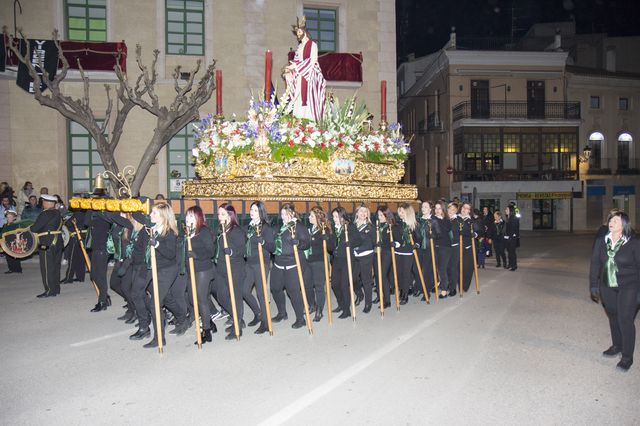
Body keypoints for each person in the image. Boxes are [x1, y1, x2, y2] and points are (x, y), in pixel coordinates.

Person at [589, 211, 640, 371]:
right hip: (607, 285)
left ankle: (627, 357)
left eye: (616, 220)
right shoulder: (601, 241)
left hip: (629, 286)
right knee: (613, 316)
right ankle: (617, 345)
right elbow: (595, 263)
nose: (612, 222)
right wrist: (593, 285)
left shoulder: (633, 243)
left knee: (625, 319)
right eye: (611, 219)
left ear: (624, 224)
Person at [143, 202, 189, 348]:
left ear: (163, 216)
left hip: (168, 270)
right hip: (155, 268)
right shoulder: (153, 229)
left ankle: (159, 338)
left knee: (155, 303)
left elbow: (170, 254)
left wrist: (156, 244)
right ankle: (183, 317)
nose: (151, 215)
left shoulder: (169, 232)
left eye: (154, 213)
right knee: (166, 298)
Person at [270, 203, 311, 328]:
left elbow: (307, 243)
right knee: (275, 288)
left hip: (293, 264)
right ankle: (282, 313)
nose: (283, 217)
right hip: (278, 263)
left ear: (292, 214)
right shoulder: (280, 227)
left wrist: (298, 243)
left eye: (285, 214)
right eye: (281, 214)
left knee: (293, 292)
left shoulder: (298, 226)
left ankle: (300, 318)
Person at [282, 16, 326, 122]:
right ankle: (299, 122)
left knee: (310, 102)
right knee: (298, 100)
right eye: (297, 33)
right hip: (301, 76)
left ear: (304, 31)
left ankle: (311, 122)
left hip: (310, 76)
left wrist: (295, 66)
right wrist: (289, 69)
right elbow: (296, 61)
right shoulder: (299, 47)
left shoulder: (313, 45)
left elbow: (312, 60)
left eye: (299, 32)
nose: (298, 35)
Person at [184, 206, 217, 344]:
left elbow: (211, 252)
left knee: (201, 299)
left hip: (204, 269)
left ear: (198, 218)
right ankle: (209, 321)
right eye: (187, 216)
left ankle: (207, 331)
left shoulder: (203, 231)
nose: (187, 219)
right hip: (193, 270)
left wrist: (196, 255)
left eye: (191, 216)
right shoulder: (188, 232)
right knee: (192, 298)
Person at [215, 203, 247, 340]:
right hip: (222, 268)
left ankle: (238, 327)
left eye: (222, 214)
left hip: (235, 268)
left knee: (236, 297)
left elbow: (242, 250)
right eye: (218, 214)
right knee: (221, 296)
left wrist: (232, 252)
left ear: (230, 215)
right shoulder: (222, 230)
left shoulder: (236, 231)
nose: (219, 217)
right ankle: (236, 317)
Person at [243, 201, 275, 334]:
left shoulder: (265, 227)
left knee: (261, 293)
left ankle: (266, 323)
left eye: (255, 210)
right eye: (251, 210)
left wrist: (262, 241)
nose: (252, 212)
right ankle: (258, 313)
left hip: (261, 262)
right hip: (249, 262)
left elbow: (272, 247)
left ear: (261, 212)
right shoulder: (249, 227)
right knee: (244, 290)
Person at [331, 206, 362, 318]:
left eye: (336, 216)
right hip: (337, 259)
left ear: (341, 216)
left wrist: (351, 243)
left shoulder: (350, 227)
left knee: (344, 285)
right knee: (334, 284)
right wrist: (328, 239)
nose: (334, 218)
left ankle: (347, 310)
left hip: (348, 259)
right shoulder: (335, 228)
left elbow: (359, 240)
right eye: (333, 216)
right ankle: (341, 304)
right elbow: (331, 246)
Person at [30, 194, 64, 298]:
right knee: (55, 266)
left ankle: (49, 290)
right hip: (58, 241)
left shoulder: (45, 214)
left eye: (43, 202)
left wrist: (30, 227)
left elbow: (34, 228)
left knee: (46, 267)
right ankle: (56, 288)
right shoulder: (58, 213)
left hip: (47, 241)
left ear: (47, 203)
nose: (42, 203)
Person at [306, 206, 334, 322]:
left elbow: (331, 247)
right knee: (307, 285)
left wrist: (326, 239)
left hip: (319, 262)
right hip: (308, 261)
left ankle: (320, 311)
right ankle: (312, 304)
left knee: (318, 286)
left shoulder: (325, 229)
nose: (309, 217)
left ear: (317, 217)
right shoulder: (310, 229)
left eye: (311, 216)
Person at [374, 206, 400, 308]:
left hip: (387, 252)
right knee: (377, 275)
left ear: (387, 215)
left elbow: (397, 241)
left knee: (382, 274)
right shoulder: (377, 226)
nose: (379, 217)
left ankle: (387, 300)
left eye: (381, 215)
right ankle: (380, 295)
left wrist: (394, 243)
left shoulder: (392, 226)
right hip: (377, 252)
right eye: (378, 215)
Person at [353, 205, 375, 313]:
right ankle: (359, 294)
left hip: (366, 256)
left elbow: (373, 243)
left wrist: (359, 248)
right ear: (357, 213)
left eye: (365, 212)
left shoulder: (370, 227)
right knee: (352, 279)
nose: (363, 213)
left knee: (366, 281)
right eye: (361, 211)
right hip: (354, 256)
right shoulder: (352, 226)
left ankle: (368, 303)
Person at [396, 203, 419, 304]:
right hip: (397, 252)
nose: (400, 213)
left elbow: (418, 238)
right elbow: (394, 236)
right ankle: (402, 290)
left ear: (408, 212)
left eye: (402, 211)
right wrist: (394, 242)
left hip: (407, 252)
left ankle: (405, 295)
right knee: (399, 273)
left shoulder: (413, 225)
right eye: (399, 211)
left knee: (406, 273)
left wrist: (416, 244)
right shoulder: (397, 223)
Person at [417, 201, 439, 295]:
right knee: (419, 268)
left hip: (430, 248)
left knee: (426, 270)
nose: (423, 209)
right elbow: (416, 235)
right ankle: (420, 287)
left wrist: (432, 235)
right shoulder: (419, 220)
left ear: (430, 209)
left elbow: (439, 234)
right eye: (422, 207)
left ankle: (426, 291)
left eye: (425, 207)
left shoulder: (433, 220)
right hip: (420, 248)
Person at [433, 201, 452, 299]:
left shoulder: (446, 220)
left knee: (442, 268)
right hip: (435, 246)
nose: (437, 210)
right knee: (436, 268)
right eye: (436, 208)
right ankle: (441, 283)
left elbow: (447, 229)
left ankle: (444, 290)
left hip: (445, 246)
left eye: (439, 208)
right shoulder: (432, 219)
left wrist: (439, 219)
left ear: (443, 209)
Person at [1, 209, 23, 274]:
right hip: (6, 242)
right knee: (8, 257)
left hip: (14, 242)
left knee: (15, 256)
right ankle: (11, 269)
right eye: (7, 217)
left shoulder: (15, 225)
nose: (9, 218)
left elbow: (18, 233)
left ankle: (18, 269)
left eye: (10, 217)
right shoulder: (4, 225)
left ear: (14, 218)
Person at [504, 205, 519, 271]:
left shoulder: (513, 218)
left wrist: (511, 237)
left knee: (512, 252)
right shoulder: (509, 217)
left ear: (510, 210)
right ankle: (510, 264)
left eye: (507, 209)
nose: (505, 210)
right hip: (508, 238)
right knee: (509, 251)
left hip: (512, 238)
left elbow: (514, 229)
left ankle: (514, 265)